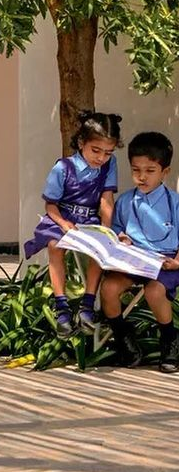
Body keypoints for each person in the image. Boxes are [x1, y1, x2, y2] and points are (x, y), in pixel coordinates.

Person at [23, 110, 121, 339]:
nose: (101, 158)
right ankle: (62, 307)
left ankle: (87, 305)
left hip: (89, 220)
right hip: (62, 217)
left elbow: (106, 200)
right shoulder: (63, 167)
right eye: (96, 151)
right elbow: (51, 206)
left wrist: (107, 231)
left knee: (99, 249)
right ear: (81, 143)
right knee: (55, 246)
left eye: (108, 153)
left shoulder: (109, 165)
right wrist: (64, 223)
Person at [100, 132, 179, 373]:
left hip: (165, 263)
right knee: (109, 289)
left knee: (155, 291)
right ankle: (125, 340)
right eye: (136, 170)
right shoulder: (125, 201)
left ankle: (170, 340)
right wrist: (122, 239)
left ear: (165, 171)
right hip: (134, 262)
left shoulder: (174, 202)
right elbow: (116, 232)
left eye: (150, 171)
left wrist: (176, 262)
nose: (141, 177)